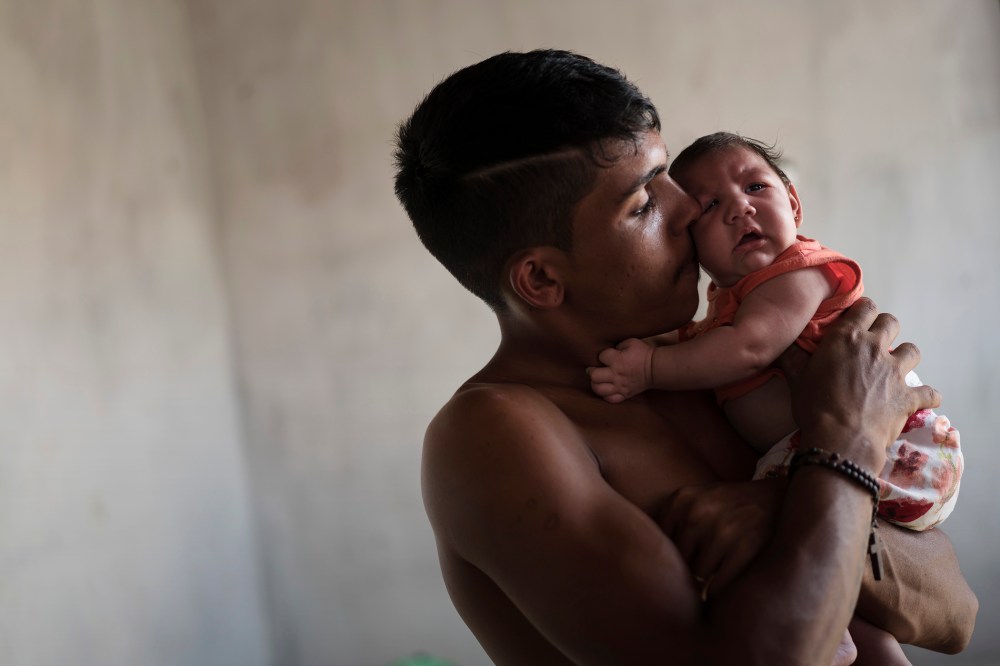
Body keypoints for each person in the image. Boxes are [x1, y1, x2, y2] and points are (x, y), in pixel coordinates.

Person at [393, 49, 977, 665]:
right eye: (643, 204)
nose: (689, 209)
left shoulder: (708, 368)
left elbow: (953, 612)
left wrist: (791, 503)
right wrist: (848, 444)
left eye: (667, 176)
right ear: (540, 280)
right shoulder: (495, 435)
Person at [587, 132, 965, 664]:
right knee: (852, 598)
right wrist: (657, 345)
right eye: (711, 206)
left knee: (791, 542)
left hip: (896, 449)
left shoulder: (798, 271)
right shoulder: (728, 305)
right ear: (691, 245)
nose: (740, 208)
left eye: (755, 186)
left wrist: (649, 368)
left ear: (792, 204)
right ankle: (858, 646)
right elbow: (705, 341)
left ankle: (827, 638)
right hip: (825, 457)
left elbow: (748, 347)